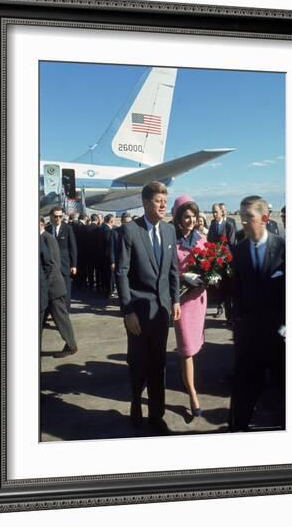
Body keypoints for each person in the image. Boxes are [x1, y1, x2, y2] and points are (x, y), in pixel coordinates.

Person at [116, 181, 181, 435]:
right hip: (138, 314)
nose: (164, 204)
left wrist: (175, 299)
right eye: (158, 200)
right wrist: (127, 310)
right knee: (138, 362)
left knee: (159, 364)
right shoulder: (130, 231)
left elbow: (174, 269)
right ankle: (135, 402)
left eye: (165, 200)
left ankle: (157, 414)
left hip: (162, 311)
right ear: (145, 203)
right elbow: (121, 273)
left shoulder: (169, 231)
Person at [229, 196, 286, 431]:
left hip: (278, 336)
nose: (243, 222)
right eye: (241, 217)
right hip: (249, 335)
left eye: (248, 217)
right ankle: (237, 431)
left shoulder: (283, 248)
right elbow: (236, 290)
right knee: (244, 390)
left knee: (284, 391)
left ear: (264, 218)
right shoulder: (238, 251)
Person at [172, 195, 208, 417]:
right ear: (177, 218)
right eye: (186, 216)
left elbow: (212, 264)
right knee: (186, 348)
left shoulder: (202, 239)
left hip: (199, 299)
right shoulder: (170, 240)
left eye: (193, 216)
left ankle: (189, 379)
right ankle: (192, 393)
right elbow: (166, 271)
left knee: (194, 346)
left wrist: (210, 276)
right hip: (182, 301)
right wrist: (184, 277)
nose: (191, 220)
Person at [40, 217, 78, 357]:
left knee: (61, 318)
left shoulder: (46, 238)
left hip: (51, 287)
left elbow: (50, 265)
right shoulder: (47, 237)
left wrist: (44, 287)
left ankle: (71, 345)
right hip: (49, 287)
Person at [208, 203, 236, 321]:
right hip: (216, 261)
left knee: (228, 288)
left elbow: (232, 243)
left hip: (227, 261)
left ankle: (229, 316)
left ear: (221, 212)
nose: (214, 214)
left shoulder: (228, 225)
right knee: (218, 287)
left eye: (216, 212)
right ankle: (219, 308)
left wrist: (224, 254)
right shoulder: (212, 225)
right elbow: (210, 241)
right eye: (213, 212)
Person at [47, 206, 78, 310]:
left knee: (66, 289)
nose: (58, 219)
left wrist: (74, 265)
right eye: (56, 216)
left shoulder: (68, 229)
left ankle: (66, 311)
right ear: (51, 216)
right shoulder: (47, 229)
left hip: (65, 264)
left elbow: (73, 247)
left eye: (60, 216)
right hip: (50, 265)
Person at [100, 214, 116, 298]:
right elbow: (109, 245)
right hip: (107, 256)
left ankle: (105, 289)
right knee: (109, 275)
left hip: (101, 255)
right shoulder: (108, 231)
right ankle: (109, 292)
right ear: (111, 221)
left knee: (105, 274)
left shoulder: (100, 228)